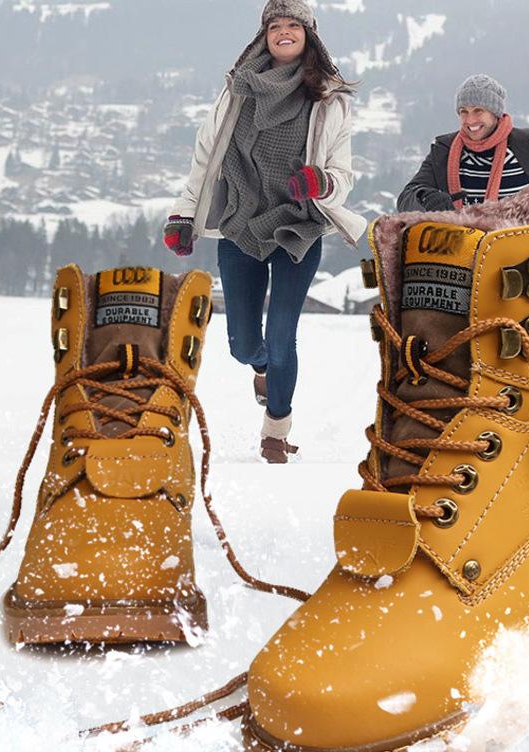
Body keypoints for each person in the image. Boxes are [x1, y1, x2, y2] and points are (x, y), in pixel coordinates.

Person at [163, 0, 365, 464]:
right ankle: (260, 368)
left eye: (294, 24)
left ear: (308, 34)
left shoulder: (327, 99)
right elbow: (206, 154)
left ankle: (275, 430)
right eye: (277, 25)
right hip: (240, 223)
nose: (285, 32)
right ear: (265, 35)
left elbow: (343, 172)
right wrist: (183, 215)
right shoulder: (237, 90)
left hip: (298, 227)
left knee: (281, 337)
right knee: (243, 344)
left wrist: (322, 182)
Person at [397, 74, 529, 212]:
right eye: (463, 111)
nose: (470, 120)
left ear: (495, 113)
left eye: (478, 110)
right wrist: (425, 197)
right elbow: (407, 197)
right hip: (463, 255)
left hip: (526, 254)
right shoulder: (443, 152)